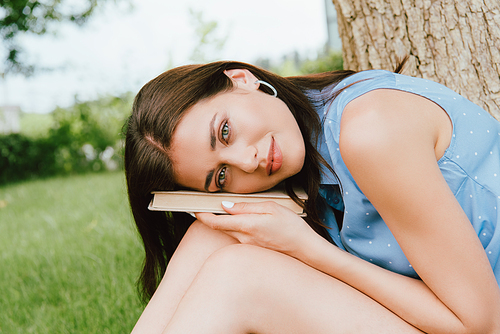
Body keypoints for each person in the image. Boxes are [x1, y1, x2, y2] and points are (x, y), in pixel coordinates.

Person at [124, 58, 500, 333]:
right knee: (219, 228)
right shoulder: (308, 142)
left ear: (241, 79)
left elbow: (478, 323)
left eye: (225, 131)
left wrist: (308, 249)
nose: (247, 160)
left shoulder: (370, 132)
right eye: (221, 176)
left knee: (238, 275)